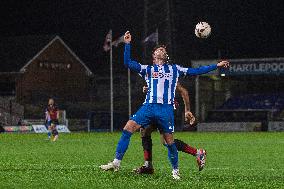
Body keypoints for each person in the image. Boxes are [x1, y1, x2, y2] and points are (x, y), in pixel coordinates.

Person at [100, 31, 229, 180]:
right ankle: (117, 162)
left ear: (165, 56)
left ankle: (175, 171)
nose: (161, 50)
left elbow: (196, 71)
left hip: (165, 109)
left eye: (164, 50)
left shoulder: (174, 69)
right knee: (129, 128)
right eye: (158, 50)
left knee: (168, 142)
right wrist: (128, 44)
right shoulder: (147, 69)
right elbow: (127, 63)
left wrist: (216, 65)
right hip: (148, 107)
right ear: (154, 56)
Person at [133, 82, 205, 175]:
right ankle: (148, 166)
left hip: (165, 108)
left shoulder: (169, 71)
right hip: (157, 107)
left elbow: (183, 91)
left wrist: (187, 110)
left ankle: (197, 153)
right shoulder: (156, 72)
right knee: (146, 131)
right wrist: (150, 90)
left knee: (163, 139)